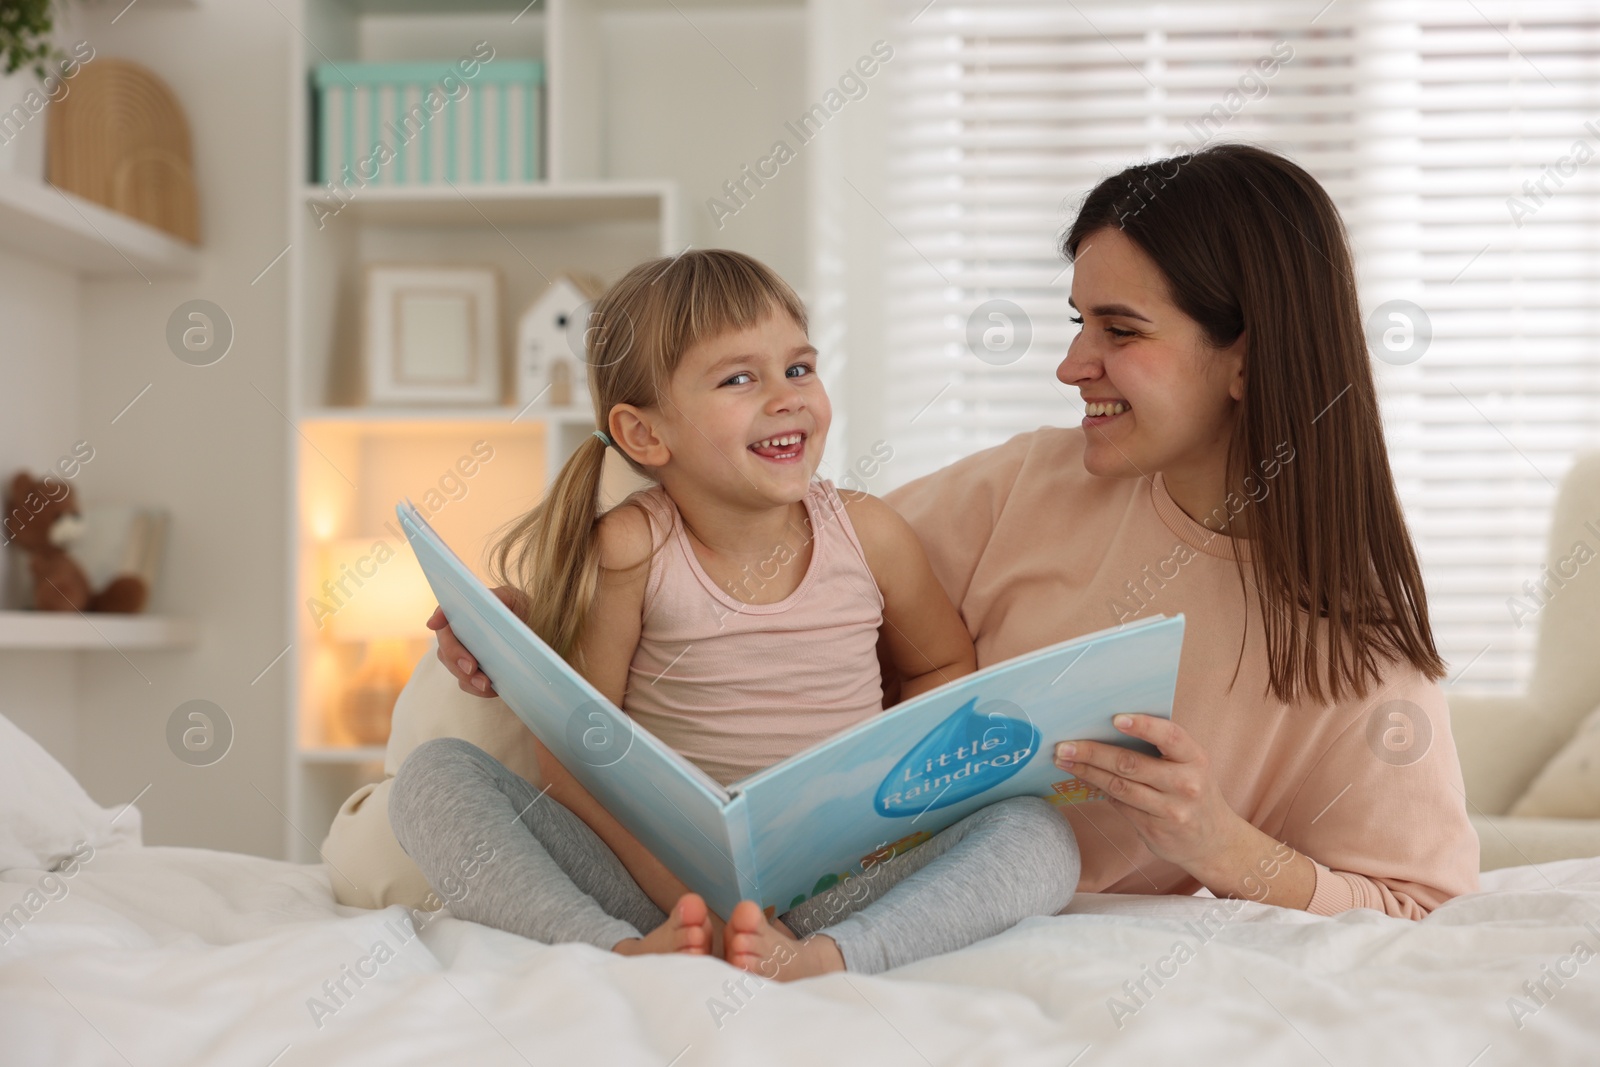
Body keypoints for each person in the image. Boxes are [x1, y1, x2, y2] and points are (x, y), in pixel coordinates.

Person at [385, 249, 1082, 980]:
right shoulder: (630, 549)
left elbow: (940, 662)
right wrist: (684, 894)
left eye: (800, 367)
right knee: (434, 778)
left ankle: (829, 957)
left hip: (837, 883)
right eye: (740, 378)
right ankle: (613, 950)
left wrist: (902, 813)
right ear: (646, 434)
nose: (786, 397)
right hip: (659, 888)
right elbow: (576, 747)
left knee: (1039, 831)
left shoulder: (868, 533)